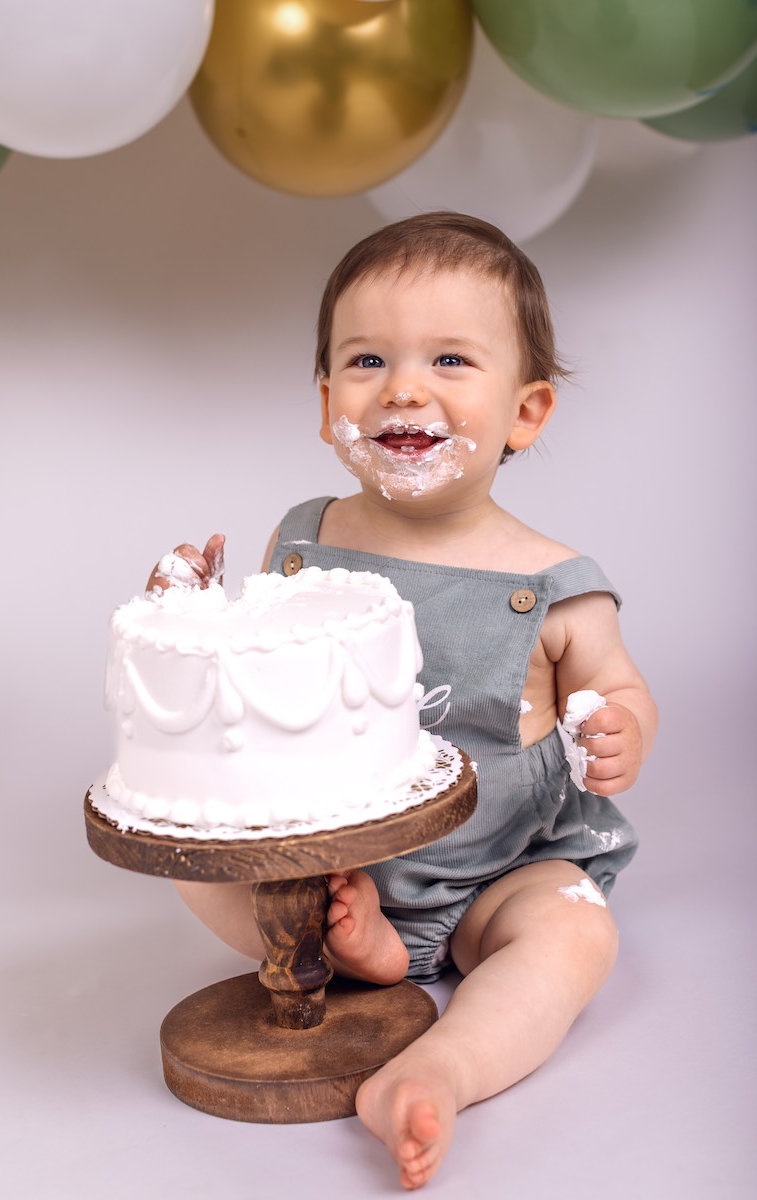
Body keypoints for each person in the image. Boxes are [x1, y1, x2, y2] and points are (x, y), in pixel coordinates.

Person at [148, 212, 658, 1191]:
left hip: (500, 871)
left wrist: (619, 729)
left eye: (450, 359)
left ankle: (441, 1069)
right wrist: (192, 624)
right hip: (335, 863)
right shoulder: (303, 541)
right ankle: (358, 948)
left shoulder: (555, 582)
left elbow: (621, 687)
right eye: (368, 359)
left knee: (572, 928)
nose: (403, 388)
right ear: (326, 400)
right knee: (190, 855)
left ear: (526, 412)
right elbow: (258, 678)